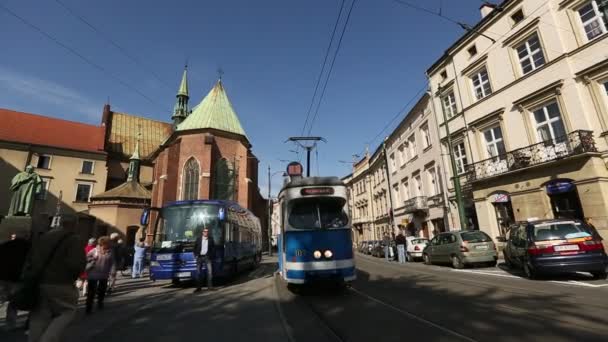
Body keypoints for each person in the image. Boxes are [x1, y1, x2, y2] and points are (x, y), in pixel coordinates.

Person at [24, 222, 85, 342]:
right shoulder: (73, 239)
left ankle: (34, 339)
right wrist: (73, 278)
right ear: (73, 225)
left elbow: (31, 258)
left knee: (39, 314)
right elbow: (77, 264)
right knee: (68, 311)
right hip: (61, 282)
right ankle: (48, 339)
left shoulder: (43, 237)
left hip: (39, 281)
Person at [0, 232, 30, 331]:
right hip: (17, 279)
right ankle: (10, 324)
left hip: (3, 277)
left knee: (1, 298)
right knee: (13, 302)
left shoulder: (5, 245)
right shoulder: (28, 248)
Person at [85, 236, 116, 314]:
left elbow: (112, 263)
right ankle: (89, 307)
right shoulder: (94, 250)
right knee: (91, 292)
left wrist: (113, 271)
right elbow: (86, 258)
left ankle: (100, 303)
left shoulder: (110, 251)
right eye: (108, 243)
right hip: (93, 273)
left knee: (102, 290)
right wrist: (92, 259)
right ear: (103, 244)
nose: (109, 245)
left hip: (104, 274)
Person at [193, 227, 215, 292]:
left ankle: (210, 287)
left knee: (210, 272)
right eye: (205, 231)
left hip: (207, 257)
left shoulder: (211, 239)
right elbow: (194, 248)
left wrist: (211, 255)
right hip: (199, 257)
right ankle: (198, 288)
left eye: (207, 231)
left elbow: (213, 248)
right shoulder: (198, 239)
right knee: (198, 272)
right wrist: (195, 255)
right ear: (202, 232)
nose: (206, 233)